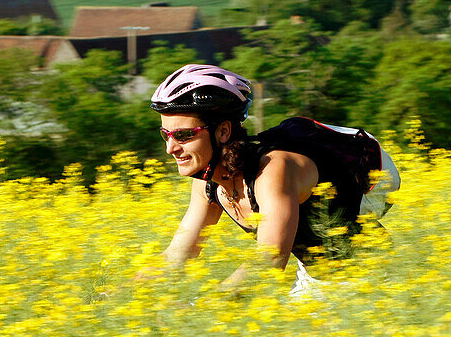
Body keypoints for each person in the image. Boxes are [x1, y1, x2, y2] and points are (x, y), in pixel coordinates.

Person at [151, 64, 399, 293]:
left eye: (183, 135)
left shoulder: (272, 171)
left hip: (369, 274)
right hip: (318, 275)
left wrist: (204, 308)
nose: (170, 148)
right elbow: (178, 255)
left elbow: (270, 261)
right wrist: (119, 295)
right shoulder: (208, 183)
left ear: (224, 131)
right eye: (166, 135)